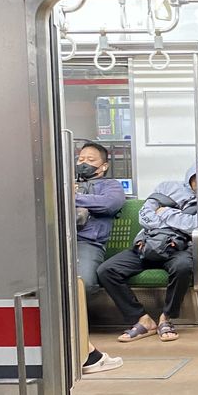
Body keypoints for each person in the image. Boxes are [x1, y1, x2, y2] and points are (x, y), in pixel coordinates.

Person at [97, 156, 198, 343]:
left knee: (183, 267)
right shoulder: (167, 187)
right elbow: (145, 215)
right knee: (106, 271)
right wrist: (172, 219)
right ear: (191, 175)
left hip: (177, 248)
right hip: (147, 243)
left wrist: (166, 212)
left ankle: (167, 317)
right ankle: (141, 319)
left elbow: (194, 225)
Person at [74, 141, 126, 374]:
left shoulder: (109, 185)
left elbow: (109, 204)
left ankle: (80, 344)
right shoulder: (66, 183)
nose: (84, 163)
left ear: (103, 166)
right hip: (59, 241)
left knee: (80, 284)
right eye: (81, 159)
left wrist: (72, 199)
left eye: (91, 160)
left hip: (88, 243)